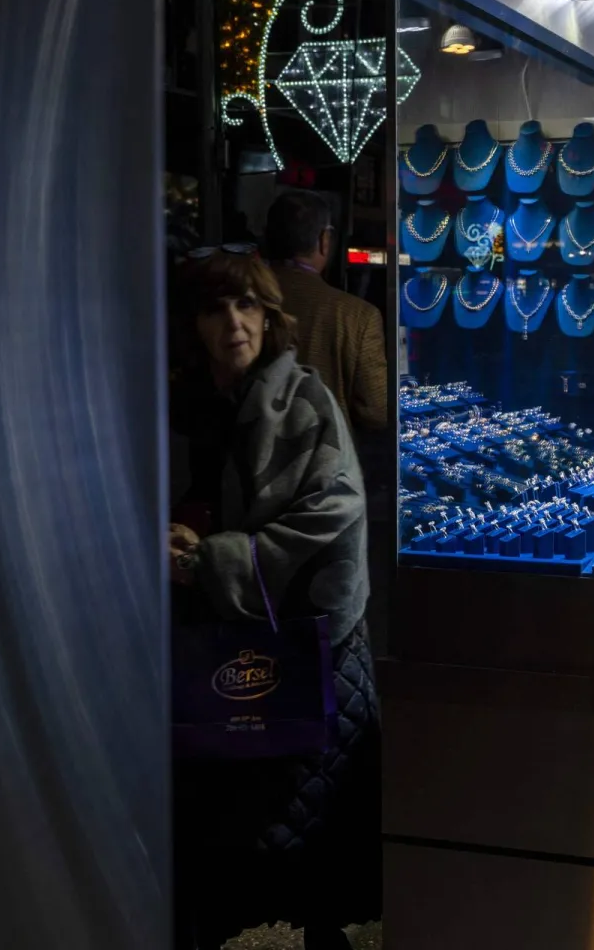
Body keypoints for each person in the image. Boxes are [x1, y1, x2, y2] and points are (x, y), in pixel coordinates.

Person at [167, 245, 380, 950]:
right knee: (215, 811)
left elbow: (334, 515)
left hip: (300, 638)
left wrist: (215, 562)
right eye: (214, 307)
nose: (234, 321)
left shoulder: (304, 401)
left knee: (308, 811)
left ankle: (321, 929)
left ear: (268, 314)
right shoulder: (180, 407)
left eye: (247, 304)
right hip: (206, 640)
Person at [264, 190, 388, 434]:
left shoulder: (241, 303)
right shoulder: (357, 316)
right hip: (325, 463)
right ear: (324, 240)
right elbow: (377, 411)